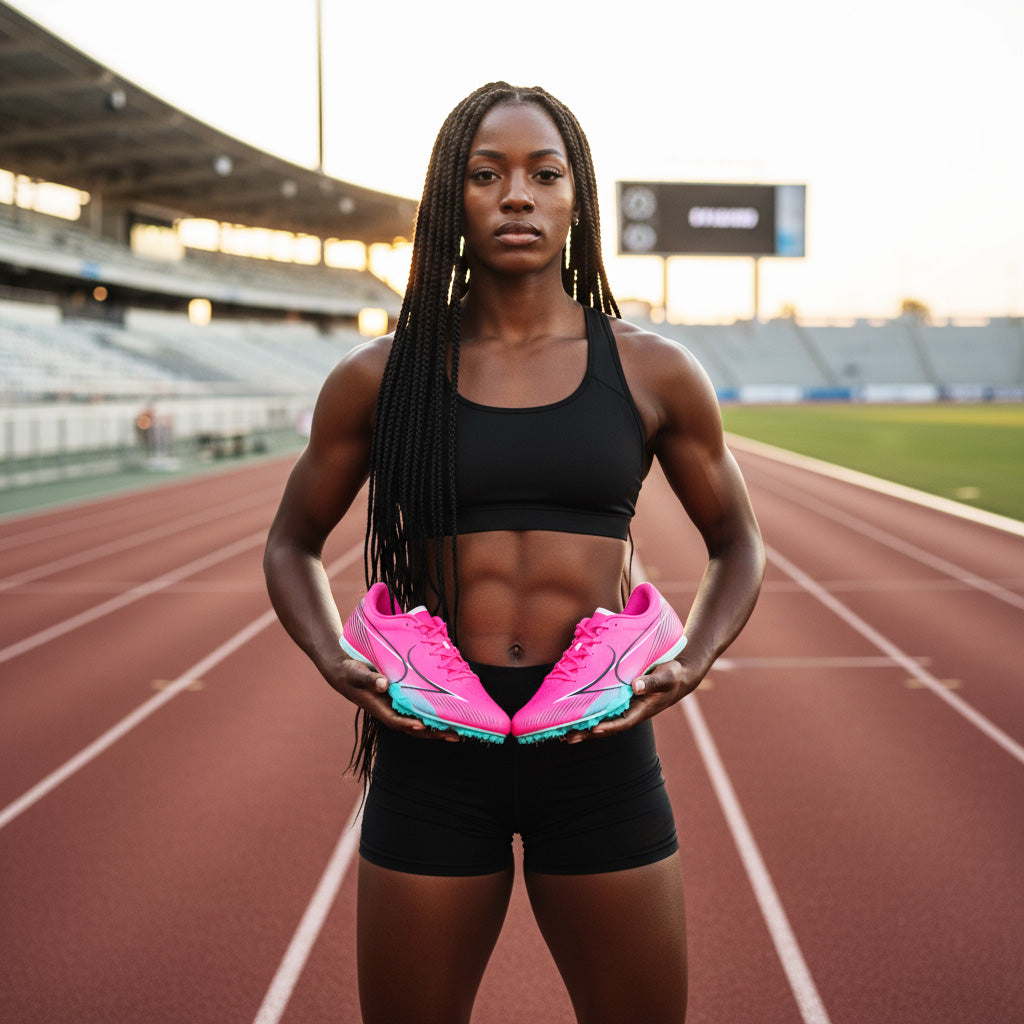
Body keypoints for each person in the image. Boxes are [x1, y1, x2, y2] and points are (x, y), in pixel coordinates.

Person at [264, 82, 764, 1024]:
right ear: (449, 201)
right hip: (433, 751)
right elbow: (291, 541)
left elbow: (738, 542)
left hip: (598, 748)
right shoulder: (382, 375)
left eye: (545, 173)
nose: (518, 196)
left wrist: (691, 661)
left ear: (578, 199)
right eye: (486, 174)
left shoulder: (653, 369)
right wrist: (334, 657)